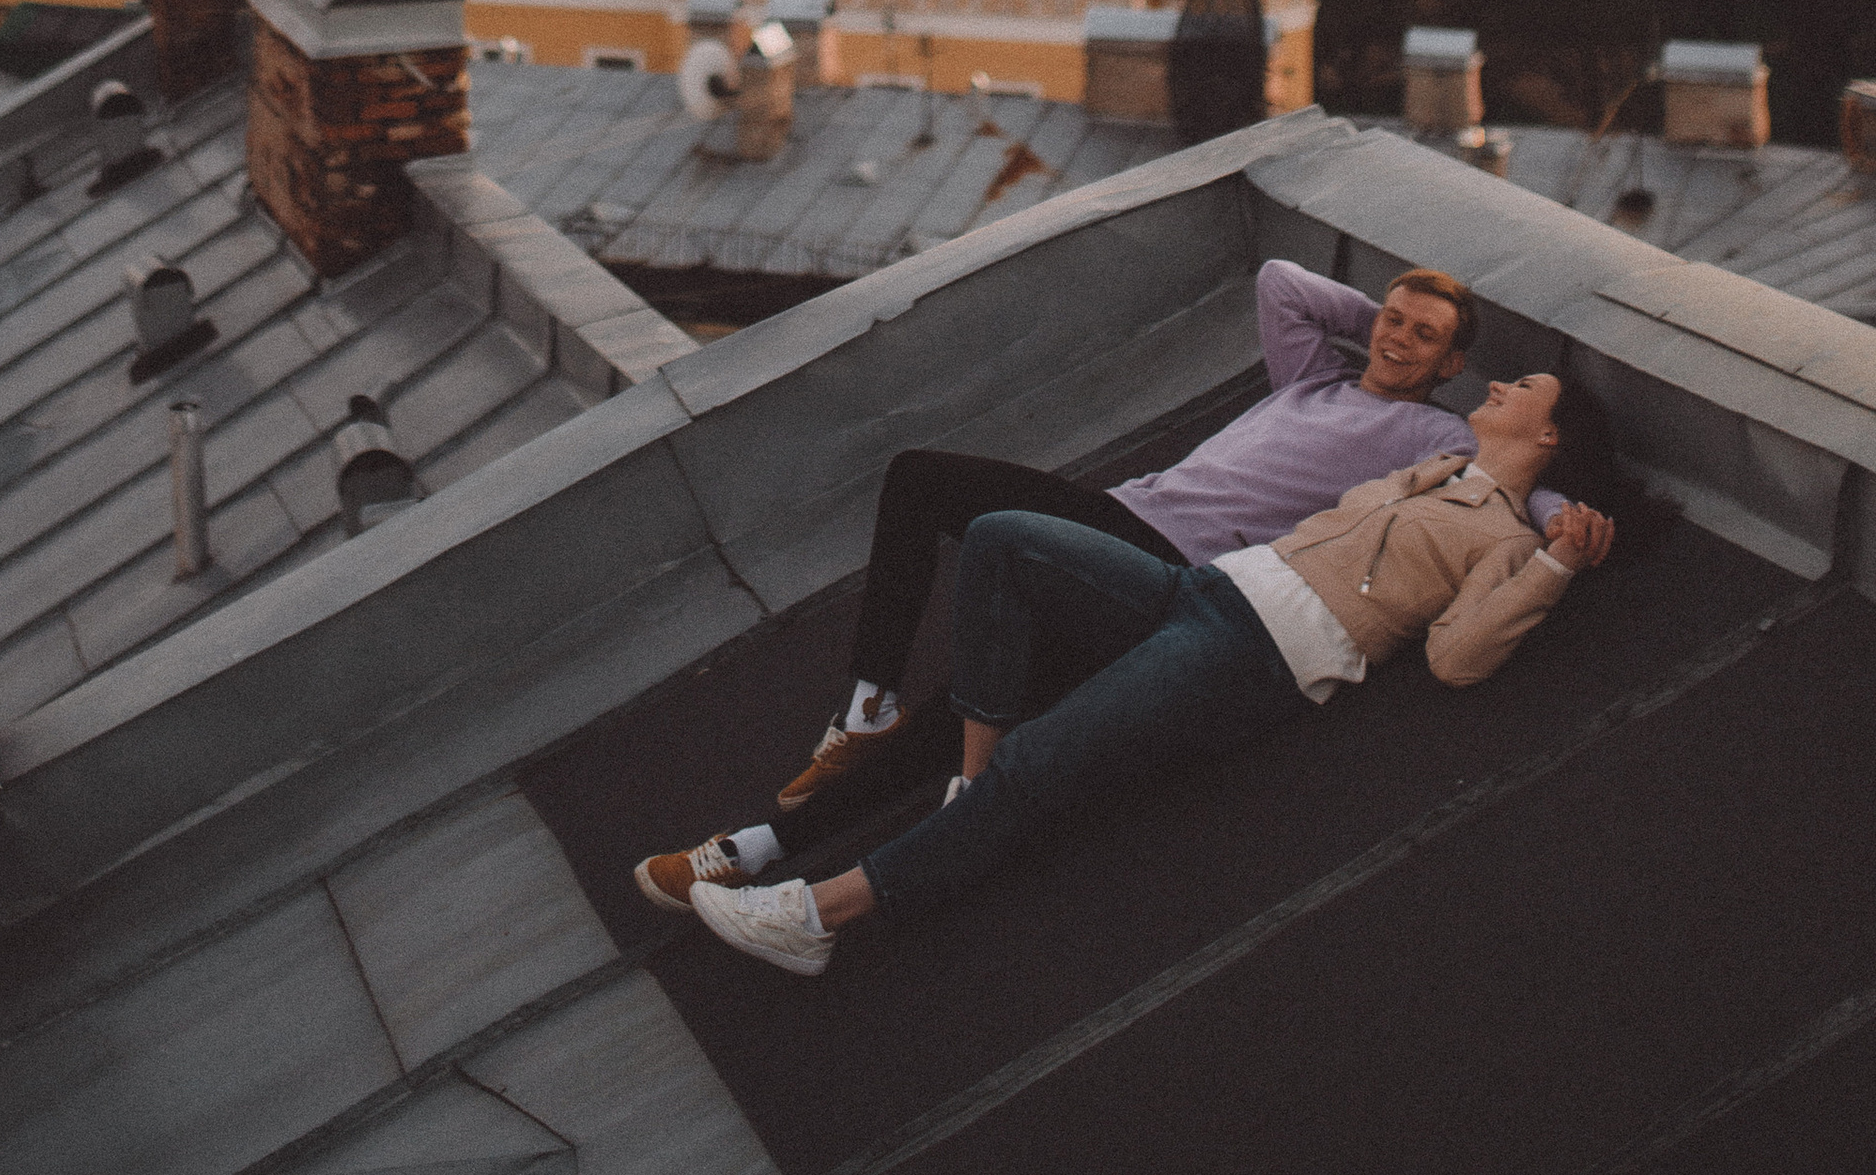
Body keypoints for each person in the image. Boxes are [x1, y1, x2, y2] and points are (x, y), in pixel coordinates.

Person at [637, 256, 1522, 910]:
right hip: (1112, 526)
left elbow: (1530, 483)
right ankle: (804, 785)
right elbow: (1280, 279)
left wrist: (1569, 532)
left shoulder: (1424, 436)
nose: (1397, 337)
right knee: (948, 677)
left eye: (1423, 335)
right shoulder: (1312, 374)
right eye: (1393, 321)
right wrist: (1391, 315)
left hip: (1164, 566)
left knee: (938, 568)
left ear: (1452, 366)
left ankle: (788, 817)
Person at [684, 365, 1623, 977]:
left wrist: (1556, 558)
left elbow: (1458, 657)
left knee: (1040, 766)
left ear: (1552, 434)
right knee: (1003, 541)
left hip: (1256, 653)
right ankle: (965, 782)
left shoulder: (1509, 538)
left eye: (1525, 385)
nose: (1499, 381)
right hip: (1200, 587)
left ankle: (816, 917)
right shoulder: (1441, 468)